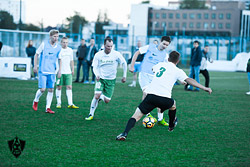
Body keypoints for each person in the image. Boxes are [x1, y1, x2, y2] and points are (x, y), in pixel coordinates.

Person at [116, 51, 212, 141]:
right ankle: (171, 125)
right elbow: (189, 80)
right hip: (165, 99)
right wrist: (204, 88)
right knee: (173, 104)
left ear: (168, 59)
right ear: (177, 61)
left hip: (151, 97)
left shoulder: (160, 65)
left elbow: (154, 70)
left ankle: (124, 133)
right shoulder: (178, 71)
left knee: (135, 116)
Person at [129, 36, 171, 126]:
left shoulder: (165, 55)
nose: (164, 46)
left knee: (160, 96)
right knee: (147, 93)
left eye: (167, 45)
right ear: (160, 41)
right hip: (144, 75)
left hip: (155, 77)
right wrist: (132, 65)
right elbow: (137, 52)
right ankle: (147, 114)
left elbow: (167, 67)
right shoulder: (150, 47)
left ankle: (160, 119)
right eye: (164, 44)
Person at [85, 37, 127, 120]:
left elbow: (124, 63)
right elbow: (94, 67)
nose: (110, 48)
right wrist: (97, 74)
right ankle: (91, 114)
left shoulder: (116, 54)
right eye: (108, 46)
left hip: (111, 80)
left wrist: (124, 75)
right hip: (101, 78)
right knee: (96, 95)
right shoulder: (98, 55)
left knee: (107, 100)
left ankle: (100, 97)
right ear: (104, 45)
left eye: (111, 46)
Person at [32, 29, 62, 114]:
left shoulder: (59, 48)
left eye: (57, 37)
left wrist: (59, 70)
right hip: (43, 71)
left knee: (51, 89)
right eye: (54, 36)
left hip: (52, 72)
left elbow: (60, 59)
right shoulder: (44, 44)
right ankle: (36, 100)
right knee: (42, 89)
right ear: (50, 36)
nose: (56, 38)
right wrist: (35, 66)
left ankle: (48, 108)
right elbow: (36, 54)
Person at [55, 37, 79, 109]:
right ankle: (58, 103)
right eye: (64, 42)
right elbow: (59, 61)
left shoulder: (70, 50)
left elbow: (71, 60)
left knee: (69, 87)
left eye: (66, 42)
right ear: (61, 43)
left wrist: (73, 69)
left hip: (68, 72)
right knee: (59, 87)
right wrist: (59, 71)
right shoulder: (59, 50)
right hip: (60, 72)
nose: (65, 44)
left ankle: (70, 103)